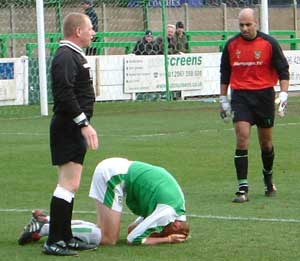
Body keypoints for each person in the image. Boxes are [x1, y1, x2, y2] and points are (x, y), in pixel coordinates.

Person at [18, 158, 189, 246]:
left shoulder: (176, 206)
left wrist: (155, 235)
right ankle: (45, 227)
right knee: (108, 238)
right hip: (114, 175)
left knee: (103, 232)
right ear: (174, 225)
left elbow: (133, 229)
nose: (158, 232)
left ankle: (46, 222)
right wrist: (166, 240)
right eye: (163, 231)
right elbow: (133, 238)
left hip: (115, 169)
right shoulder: (168, 212)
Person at [219, 8, 289, 203]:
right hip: (241, 96)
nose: (244, 28)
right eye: (241, 25)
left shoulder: (269, 43)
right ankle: (243, 188)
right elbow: (225, 72)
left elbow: (283, 70)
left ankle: (268, 179)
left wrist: (283, 94)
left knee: (265, 144)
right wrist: (223, 99)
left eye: (248, 24)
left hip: (264, 96)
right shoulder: (231, 45)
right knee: (242, 138)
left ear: (256, 23)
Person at [45, 12, 99, 256]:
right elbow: (64, 94)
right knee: (67, 183)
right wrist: (83, 123)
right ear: (77, 31)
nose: (93, 32)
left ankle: (65, 236)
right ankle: (54, 240)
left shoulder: (73, 55)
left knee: (71, 184)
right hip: (68, 127)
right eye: (90, 28)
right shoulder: (65, 56)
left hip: (72, 127)